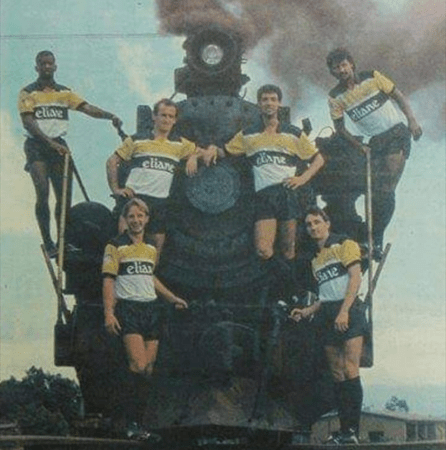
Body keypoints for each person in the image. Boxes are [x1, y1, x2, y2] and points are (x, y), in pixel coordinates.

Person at [209, 84, 324, 289]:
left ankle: (290, 291)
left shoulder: (293, 133)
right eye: (264, 100)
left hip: (288, 193)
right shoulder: (248, 134)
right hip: (264, 195)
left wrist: (302, 178)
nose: (268, 103)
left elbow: (318, 159)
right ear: (259, 104)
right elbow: (225, 151)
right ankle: (278, 281)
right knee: (264, 249)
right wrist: (208, 150)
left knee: (288, 249)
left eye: (272, 99)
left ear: (278, 104)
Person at [18, 50, 122, 257]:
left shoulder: (64, 92)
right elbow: (28, 123)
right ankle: (48, 242)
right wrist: (49, 143)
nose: (46, 67)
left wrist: (109, 116)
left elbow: (87, 108)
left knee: (64, 198)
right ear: (36, 67)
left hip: (59, 144)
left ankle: (62, 242)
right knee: (43, 193)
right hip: (37, 145)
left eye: (50, 63)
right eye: (42, 64)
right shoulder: (28, 92)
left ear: (55, 66)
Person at [102, 198, 188, 440]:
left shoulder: (150, 246)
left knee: (148, 370)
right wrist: (109, 313)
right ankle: (129, 423)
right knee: (137, 365)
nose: (136, 221)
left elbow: (150, 278)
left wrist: (172, 298)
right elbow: (108, 279)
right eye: (131, 216)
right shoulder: (114, 246)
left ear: (147, 219)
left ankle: (142, 424)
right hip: (129, 309)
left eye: (140, 216)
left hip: (151, 309)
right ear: (125, 220)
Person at [326, 48, 422, 260]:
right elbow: (340, 128)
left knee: (386, 187)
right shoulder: (335, 96)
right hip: (375, 142)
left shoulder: (372, 77)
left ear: (351, 64)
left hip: (396, 132)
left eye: (344, 65)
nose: (341, 70)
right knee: (374, 192)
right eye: (336, 68)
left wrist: (412, 121)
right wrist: (359, 146)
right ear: (332, 72)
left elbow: (398, 96)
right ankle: (370, 239)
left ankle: (375, 238)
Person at [290, 207, 367, 445]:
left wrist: (344, 311)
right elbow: (324, 297)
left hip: (349, 310)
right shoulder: (315, 259)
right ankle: (343, 431)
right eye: (308, 225)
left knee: (350, 369)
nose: (313, 227)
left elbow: (355, 278)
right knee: (336, 373)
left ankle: (352, 431)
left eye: (316, 222)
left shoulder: (345, 244)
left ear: (327, 223)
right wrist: (306, 311)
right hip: (327, 314)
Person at [106, 98, 207, 256]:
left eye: (170, 117)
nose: (166, 120)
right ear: (154, 117)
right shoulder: (137, 139)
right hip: (135, 199)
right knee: (126, 250)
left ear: (174, 120)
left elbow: (202, 151)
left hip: (159, 203)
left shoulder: (179, 144)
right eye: (163, 115)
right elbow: (112, 161)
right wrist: (116, 189)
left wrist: (194, 156)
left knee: (154, 254)